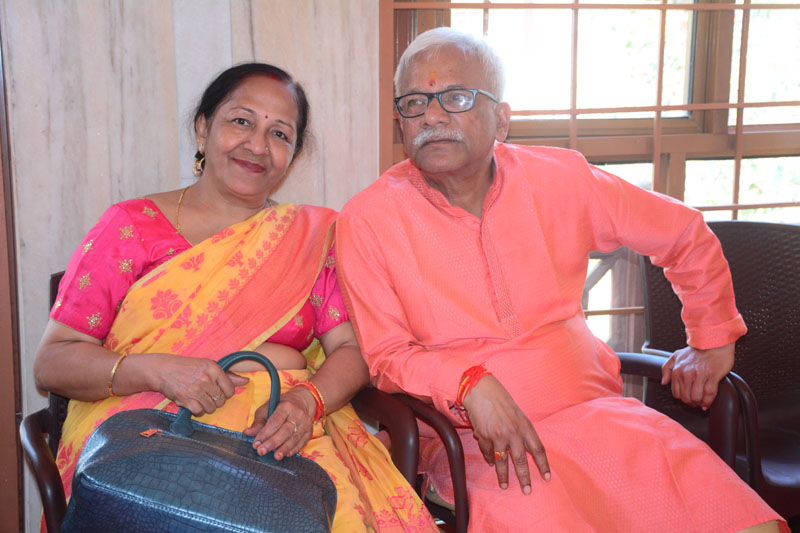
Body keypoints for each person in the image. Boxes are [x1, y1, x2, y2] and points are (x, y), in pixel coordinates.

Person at [335, 28, 787, 532]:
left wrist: (713, 337)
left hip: (604, 419)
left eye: (456, 97)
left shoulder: (560, 177)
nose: (432, 117)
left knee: (747, 524)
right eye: (415, 102)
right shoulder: (368, 219)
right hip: (480, 443)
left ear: (501, 119)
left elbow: (682, 233)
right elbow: (386, 356)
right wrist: (467, 383)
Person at [33, 62, 437, 533]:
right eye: (241, 121)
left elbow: (351, 350)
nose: (257, 145)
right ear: (203, 129)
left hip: (280, 441)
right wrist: (157, 370)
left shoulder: (311, 238)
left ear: (292, 155)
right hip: (147, 442)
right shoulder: (129, 228)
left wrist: (306, 403)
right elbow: (53, 362)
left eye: (280, 134)